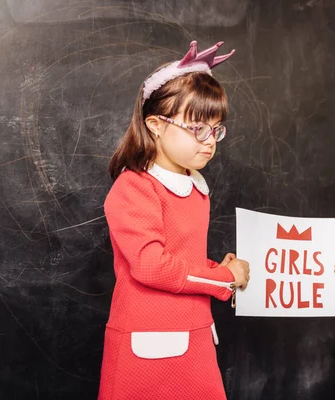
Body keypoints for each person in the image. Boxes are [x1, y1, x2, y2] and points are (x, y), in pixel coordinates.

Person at [98, 40, 250, 400]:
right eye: (196, 128)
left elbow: (183, 259)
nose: (209, 141)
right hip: (148, 346)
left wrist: (218, 269)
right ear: (154, 124)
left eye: (215, 129)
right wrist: (223, 278)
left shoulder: (195, 185)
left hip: (193, 334)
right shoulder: (134, 186)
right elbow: (151, 265)